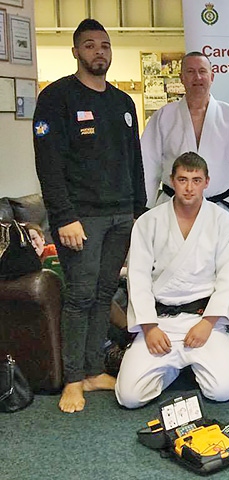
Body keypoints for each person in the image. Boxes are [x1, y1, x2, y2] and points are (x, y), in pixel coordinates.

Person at [32, 19, 146, 413]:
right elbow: (48, 164)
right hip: (80, 218)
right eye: (91, 45)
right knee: (79, 297)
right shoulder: (57, 98)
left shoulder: (122, 103)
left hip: (120, 215)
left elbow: (135, 161)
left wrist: (138, 213)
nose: (100, 52)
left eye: (105, 45)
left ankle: (95, 370)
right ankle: (73, 380)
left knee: (103, 294)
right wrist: (63, 216)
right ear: (76, 52)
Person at [115, 152, 229, 409]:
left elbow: (228, 279)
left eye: (196, 180)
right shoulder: (149, 222)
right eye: (182, 179)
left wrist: (207, 322)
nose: (189, 187)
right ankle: (173, 368)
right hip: (160, 321)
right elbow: (137, 277)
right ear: (172, 181)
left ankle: (182, 363)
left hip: (204, 319)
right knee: (129, 397)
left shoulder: (224, 222)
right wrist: (149, 327)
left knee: (223, 390)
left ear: (207, 182)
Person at [141, 52, 229, 231]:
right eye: (191, 72)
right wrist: (143, 206)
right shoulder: (164, 115)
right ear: (182, 78)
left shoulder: (228, 114)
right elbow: (148, 162)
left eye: (202, 71)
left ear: (212, 76)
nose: (197, 77)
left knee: (218, 258)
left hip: (218, 208)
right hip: (172, 208)